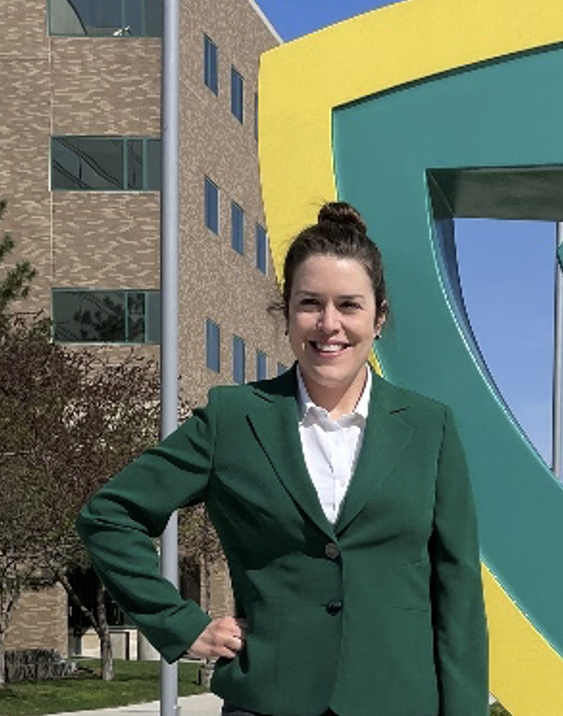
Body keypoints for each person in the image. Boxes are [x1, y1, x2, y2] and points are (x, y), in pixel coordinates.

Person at [76, 202, 488, 716]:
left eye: (349, 305)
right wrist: (183, 626)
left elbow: (458, 593)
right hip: (268, 700)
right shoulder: (234, 418)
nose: (329, 324)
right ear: (287, 312)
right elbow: (109, 517)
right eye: (310, 303)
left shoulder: (430, 428)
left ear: (379, 317)